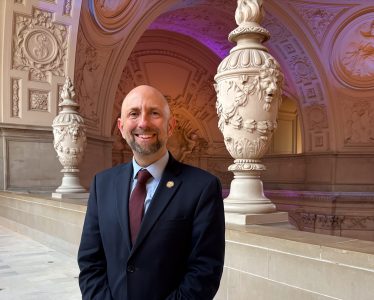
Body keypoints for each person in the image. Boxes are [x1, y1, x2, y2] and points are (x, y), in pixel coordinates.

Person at [78, 85, 225, 300]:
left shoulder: (203, 187)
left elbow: (205, 272)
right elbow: (90, 262)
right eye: (134, 114)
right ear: (121, 126)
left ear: (171, 126)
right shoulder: (102, 184)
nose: (144, 123)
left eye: (154, 113)